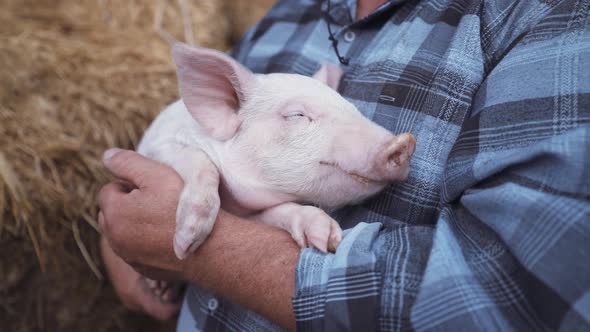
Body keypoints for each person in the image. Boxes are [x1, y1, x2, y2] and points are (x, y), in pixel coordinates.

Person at [98, 0, 590, 330]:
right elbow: (196, 139)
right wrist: (122, 238)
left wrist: (203, 250)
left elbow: (510, 295)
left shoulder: (550, 19)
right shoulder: (287, 14)